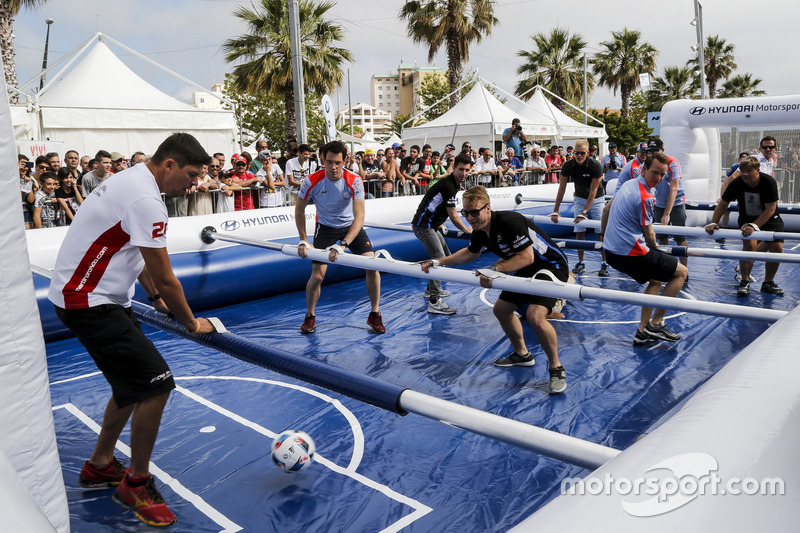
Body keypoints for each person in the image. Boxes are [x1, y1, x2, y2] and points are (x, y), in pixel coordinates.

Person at [48, 133, 216, 527]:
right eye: (191, 175)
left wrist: (155, 299)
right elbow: (167, 275)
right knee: (156, 385)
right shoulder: (146, 199)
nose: (194, 184)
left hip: (93, 296)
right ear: (169, 164)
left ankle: (99, 465)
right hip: (89, 301)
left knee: (131, 385)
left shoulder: (133, 179)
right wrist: (190, 322)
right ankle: (135, 484)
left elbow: (133, 251)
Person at [419, 185, 569, 394]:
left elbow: (528, 257)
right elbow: (470, 254)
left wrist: (494, 269)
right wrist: (438, 262)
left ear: (488, 208)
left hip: (551, 267)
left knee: (535, 315)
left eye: (474, 212)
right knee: (501, 309)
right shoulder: (480, 231)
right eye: (466, 212)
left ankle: (556, 368)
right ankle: (522, 354)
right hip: (526, 267)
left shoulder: (509, 221)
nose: (470, 218)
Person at [296, 140, 386, 335]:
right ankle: (310, 316)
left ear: (345, 160)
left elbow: (360, 216)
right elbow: (299, 209)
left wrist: (344, 244)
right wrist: (303, 239)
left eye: (338, 162)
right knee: (318, 275)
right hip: (325, 228)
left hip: (351, 228)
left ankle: (374, 313)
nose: (334, 167)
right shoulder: (311, 180)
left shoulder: (354, 180)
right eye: (329, 162)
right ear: (323, 160)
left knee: (372, 265)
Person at [601, 153, 689, 345]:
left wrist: (603, 239)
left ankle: (643, 331)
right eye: (654, 172)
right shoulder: (645, 196)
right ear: (644, 169)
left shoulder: (628, 184)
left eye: (662, 174)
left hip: (612, 251)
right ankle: (656, 324)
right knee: (681, 272)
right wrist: (657, 248)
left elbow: (606, 210)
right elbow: (649, 235)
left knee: (656, 279)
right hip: (630, 253)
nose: (657, 178)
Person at [705, 156, 784, 296]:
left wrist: (754, 225)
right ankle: (745, 281)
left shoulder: (768, 182)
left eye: (749, 171)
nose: (745, 174)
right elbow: (723, 203)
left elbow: (770, 209)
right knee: (749, 245)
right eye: (742, 171)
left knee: (777, 247)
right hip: (747, 218)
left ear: (757, 170)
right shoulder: (737, 183)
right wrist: (713, 222)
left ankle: (768, 283)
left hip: (770, 218)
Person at [411, 153, 473, 314]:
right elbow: (453, 215)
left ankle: (429, 289)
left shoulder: (452, 184)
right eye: (461, 169)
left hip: (431, 225)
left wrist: (438, 221)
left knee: (446, 255)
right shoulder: (449, 185)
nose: (464, 173)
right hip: (424, 226)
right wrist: (466, 230)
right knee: (439, 260)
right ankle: (434, 300)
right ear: (453, 168)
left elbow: (436, 205)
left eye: (467, 170)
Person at [552, 139, 609, 276]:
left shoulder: (595, 166)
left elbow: (593, 191)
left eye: (582, 153)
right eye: (576, 153)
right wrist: (556, 210)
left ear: (587, 153)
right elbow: (562, 188)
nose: (579, 156)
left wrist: (584, 212)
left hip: (597, 198)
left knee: (601, 232)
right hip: (579, 197)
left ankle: (604, 263)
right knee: (579, 230)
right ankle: (581, 262)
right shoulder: (568, 165)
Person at [646, 139, 689, 270]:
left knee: (680, 237)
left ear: (662, 150)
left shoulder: (673, 162)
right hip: (659, 204)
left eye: (656, 151)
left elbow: (674, 188)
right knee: (662, 237)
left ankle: (684, 269)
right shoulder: (648, 163)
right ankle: (667, 267)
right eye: (651, 151)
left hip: (676, 204)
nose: (653, 154)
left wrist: (667, 213)